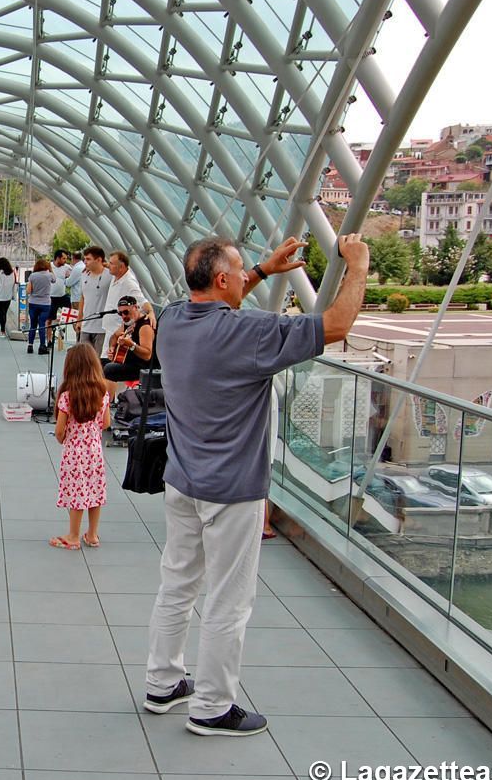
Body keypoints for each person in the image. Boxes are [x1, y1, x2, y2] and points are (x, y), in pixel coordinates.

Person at [142, 233, 368, 737]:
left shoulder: (172, 321)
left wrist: (264, 270)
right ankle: (212, 707)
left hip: (181, 481)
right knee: (228, 600)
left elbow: (221, 298)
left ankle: (163, 682)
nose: (247, 276)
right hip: (233, 492)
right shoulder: (249, 334)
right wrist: (358, 263)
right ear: (223, 280)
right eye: (240, 270)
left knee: (177, 584)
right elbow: (337, 324)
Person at [49, 344, 111, 551]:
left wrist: (63, 438)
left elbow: (59, 430)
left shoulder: (68, 396)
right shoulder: (102, 392)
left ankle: (73, 536)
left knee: (76, 492)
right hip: (95, 451)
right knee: (95, 490)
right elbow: (107, 423)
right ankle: (92, 534)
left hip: (74, 452)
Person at [102, 295, 156, 398]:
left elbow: (147, 355)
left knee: (109, 369)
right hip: (127, 362)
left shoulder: (145, 326)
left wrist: (131, 345)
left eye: (126, 312)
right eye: (120, 313)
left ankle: (106, 403)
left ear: (136, 307)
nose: (123, 316)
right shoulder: (128, 323)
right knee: (98, 363)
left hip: (142, 366)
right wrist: (112, 348)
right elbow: (114, 337)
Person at [76, 246, 112, 356]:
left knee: (98, 361)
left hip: (102, 328)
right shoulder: (84, 275)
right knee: (84, 359)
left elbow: (126, 271)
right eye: (84, 259)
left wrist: (108, 265)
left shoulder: (110, 275)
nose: (85, 262)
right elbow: (83, 297)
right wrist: (79, 319)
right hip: (86, 326)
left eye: (88, 259)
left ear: (99, 260)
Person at [25, 259, 55, 355]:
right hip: (45, 303)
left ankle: (30, 346)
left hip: (33, 303)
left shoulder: (32, 276)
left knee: (33, 325)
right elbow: (55, 280)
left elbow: (28, 291)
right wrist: (50, 269)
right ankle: (42, 346)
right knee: (42, 324)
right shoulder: (49, 275)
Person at [49, 249, 72, 346]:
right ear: (57, 258)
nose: (65, 260)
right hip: (51, 297)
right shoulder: (49, 266)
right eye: (63, 258)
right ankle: (49, 340)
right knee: (49, 320)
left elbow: (75, 275)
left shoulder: (67, 267)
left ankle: (61, 330)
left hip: (62, 296)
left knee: (70, 314)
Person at [0, 257, 17, 338]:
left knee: (1, 313)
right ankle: (3, 330)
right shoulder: (12, 273)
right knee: (4, 313)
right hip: (8, 296)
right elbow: (14, 284)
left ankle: (2, 331)